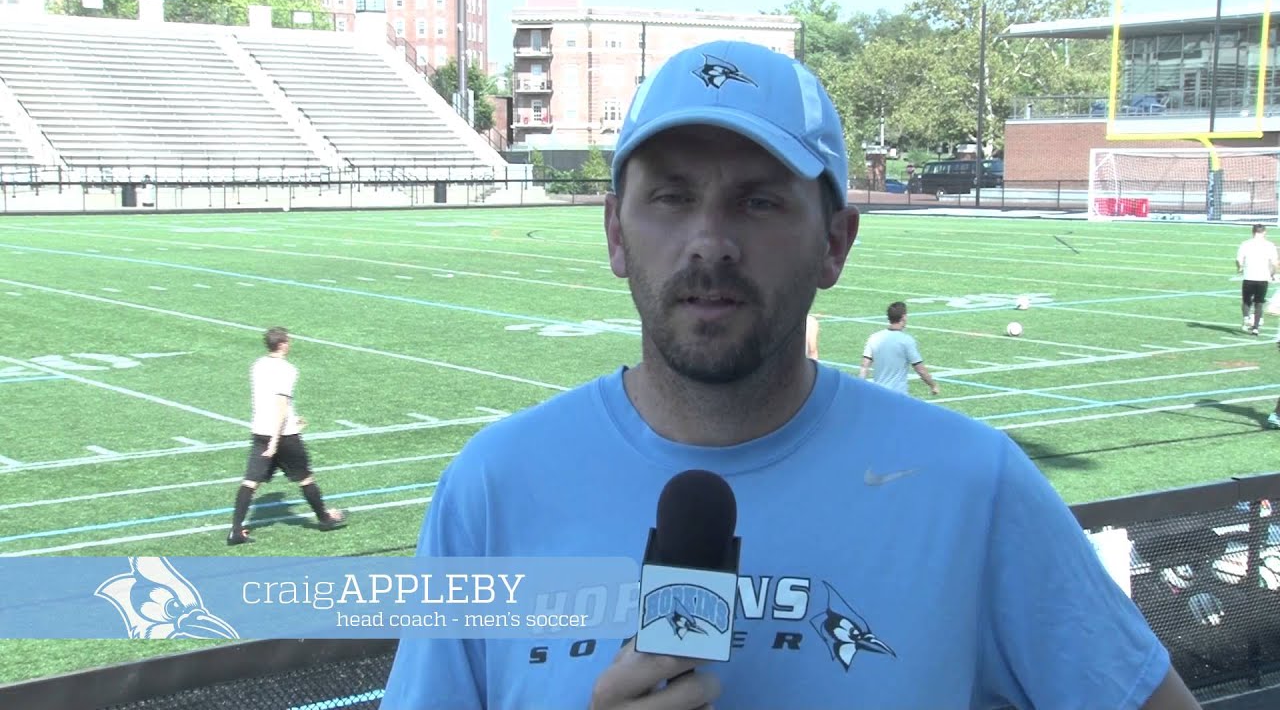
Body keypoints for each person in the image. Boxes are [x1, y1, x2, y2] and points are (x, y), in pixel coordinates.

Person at [380, 40, 1199, 710]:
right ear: (616, 233)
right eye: (669, 197)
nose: (708, 241)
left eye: (759, 202)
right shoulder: (491, 489)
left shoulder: (974, 487)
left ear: (836, 243)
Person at [227, 326, 344, 546]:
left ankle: (235, 530)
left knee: (251, 481)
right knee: (305, 478)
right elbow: (280, 405)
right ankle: (324, 518)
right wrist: (275, 441)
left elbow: (267, 399)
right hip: (282, 436)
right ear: (282, 344)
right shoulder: (287, 369)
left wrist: (293, 417)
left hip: (260, 430)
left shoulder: (258, 365)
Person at [859, 301, 939, 396]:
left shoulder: (874, 337)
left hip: (879, 393)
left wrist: (859, 387)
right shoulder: (906, 340)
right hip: (898, 394)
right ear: (904, 317)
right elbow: (920, 369)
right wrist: (933, 385)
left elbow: (864, 366)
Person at [1236, 223, 1277, 335]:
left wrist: (1239, 268)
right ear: (1264, 232)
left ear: (1253, 232)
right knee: (1259, 303)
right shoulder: (1269, 245)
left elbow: (1239, 260)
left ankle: (1246, 318)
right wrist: (1272, 274)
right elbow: (1274, 263)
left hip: (1249, 276)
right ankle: (1255, 328)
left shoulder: (1245, 244)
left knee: (1246, 300)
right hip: (1263, 278)